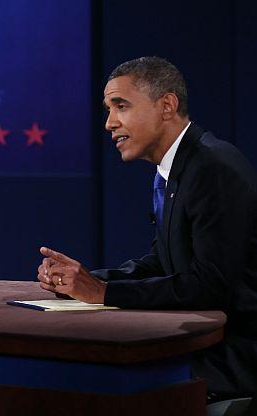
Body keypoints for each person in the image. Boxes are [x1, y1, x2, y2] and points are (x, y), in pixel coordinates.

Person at [37, 57, 257, 399]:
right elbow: (162, 262)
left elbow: (210, 286)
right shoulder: (173, 170)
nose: (110, 123)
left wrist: (103, 294)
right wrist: (86, 280)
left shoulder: (214, 168)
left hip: (231, 359)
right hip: (203, 349)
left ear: (166, 105)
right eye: (108, 109)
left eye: (120, 106)